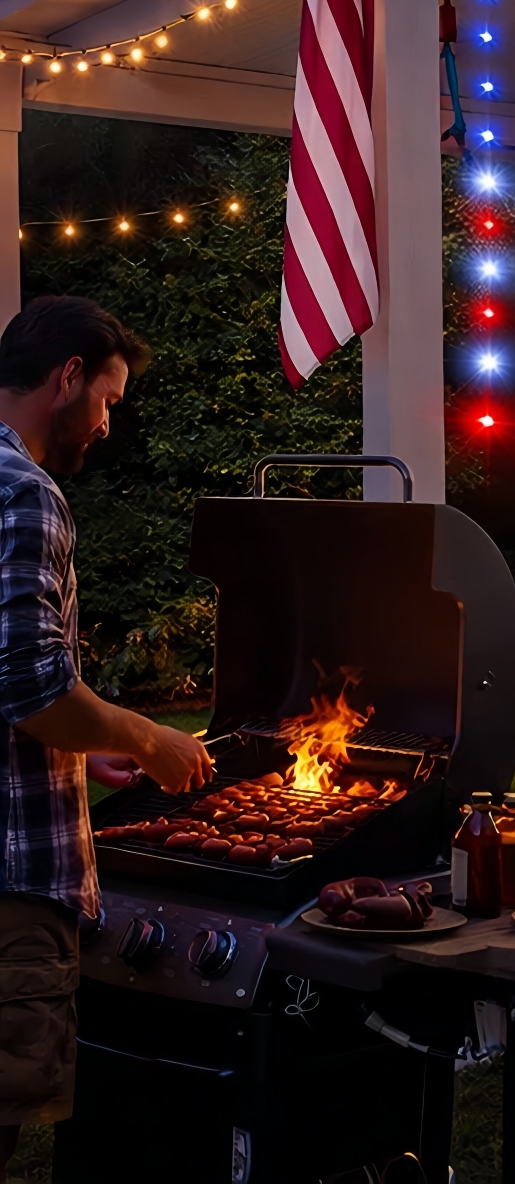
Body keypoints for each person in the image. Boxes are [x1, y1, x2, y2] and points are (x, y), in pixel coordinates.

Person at [0, 298, 214, 1177]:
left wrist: (80, 749)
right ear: (68, 378)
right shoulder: (26, 493)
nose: (106, 424)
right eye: (109, 400)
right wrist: (150, 737)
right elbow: (29, 681)